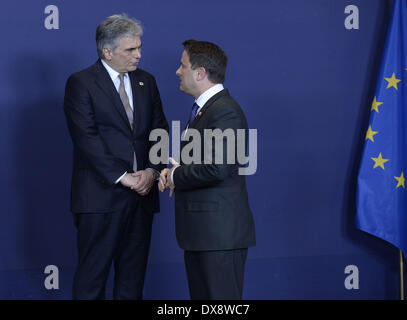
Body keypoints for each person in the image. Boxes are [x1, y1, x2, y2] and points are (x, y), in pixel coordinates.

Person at [63, 14, 168, 300]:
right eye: (130, 50)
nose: (139, 55)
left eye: (139, 47)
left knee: (132, 283)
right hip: (100, 198)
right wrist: (124, 178)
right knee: (91, 282)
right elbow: (86, 137)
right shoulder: (81, 83)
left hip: (142, 198)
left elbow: (159, 129)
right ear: (106, 51)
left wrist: (151, 171)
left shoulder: (147, 81)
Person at [159, 40, 256, 300]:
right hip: (204, 236)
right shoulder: (206, 111)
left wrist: (175, 176)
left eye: (183, 65)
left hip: (219, 238)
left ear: (200, 73)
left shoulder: (225, 112)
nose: (178, 71)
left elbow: (218, 168)